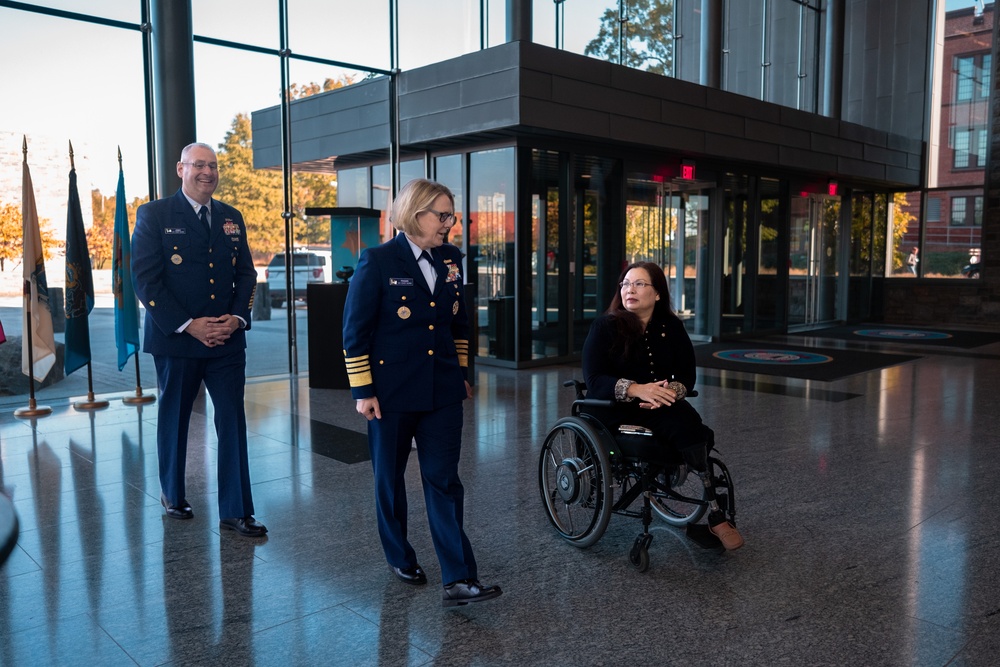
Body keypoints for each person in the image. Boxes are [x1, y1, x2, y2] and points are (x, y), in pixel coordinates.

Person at [343, 178, 502, 607]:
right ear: (415, 214)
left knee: (444, 481)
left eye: (452, 215)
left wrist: (463, 372)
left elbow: (458, 324)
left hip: (443, 390)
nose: (450, 224)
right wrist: (363, 389)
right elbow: (354, 332)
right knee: (389, 480)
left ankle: (459, 577)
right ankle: (400, 555)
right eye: (443, 215)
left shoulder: (451, 259)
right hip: (391, 394)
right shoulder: (377, 261)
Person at [131, 142, 266, 538]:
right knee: (174, 418)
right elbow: (146, 279)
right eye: (198, 165)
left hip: (226, 339)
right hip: (177, 340)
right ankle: (173, 495)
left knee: (232, 420)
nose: (207, 172)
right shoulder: (154, 214)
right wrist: (189, 325)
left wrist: (237, 319)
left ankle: (237, 511)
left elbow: (246, 274)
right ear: (180, 169)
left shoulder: (231, 217)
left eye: (213, 165)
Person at [582, 261, 744, 550]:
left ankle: (716, 514)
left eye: (639, 284)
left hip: (660, 405)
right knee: (677, 432)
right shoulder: (605, 326)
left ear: (657, 294)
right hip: (616, 408)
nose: (629, 289)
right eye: (625, 284)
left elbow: (686, 375)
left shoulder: (671, 327)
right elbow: (594, 379)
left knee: (695, 430)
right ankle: (716, 513)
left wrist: (670, 393)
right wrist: (637, 389)